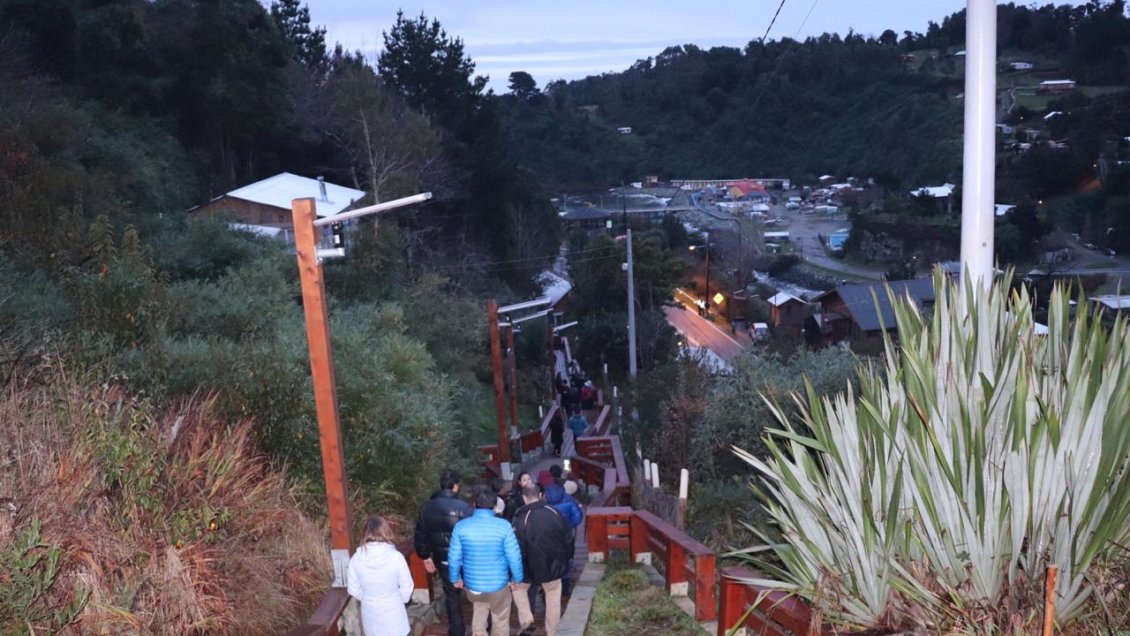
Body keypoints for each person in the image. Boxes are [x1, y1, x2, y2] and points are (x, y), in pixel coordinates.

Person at [447, 489, 524, 636]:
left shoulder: (461, 526)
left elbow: (454, 557)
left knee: (480, 608)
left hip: (473, 586)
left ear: (475, 504)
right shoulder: (504, 526)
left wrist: (455, 579)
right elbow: (514, 557)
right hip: (498, 586)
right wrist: (517, 579)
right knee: (500, 619)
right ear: (495, 507)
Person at [413, 469, 473, 636]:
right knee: (478, 591)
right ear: (456, 486)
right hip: (465, 559)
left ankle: (457, 631)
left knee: (451, 595)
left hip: (443, 560)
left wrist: (425, 557)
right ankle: (484, 625)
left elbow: (420, 534)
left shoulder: (427, 507)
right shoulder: (464, 508)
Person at [511, 486, 571, 636]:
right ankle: (553, 631)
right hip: (554, 564)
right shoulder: (555, 512)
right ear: (541, 495)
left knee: (518, 588)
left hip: (529, 566)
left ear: (524, 498)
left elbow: (518, 547)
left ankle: (527, 620)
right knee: (553, 596)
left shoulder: (521, 518)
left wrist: (516, 569)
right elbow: (568, 539)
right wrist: (565, 559)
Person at [348, 515, 413, 636]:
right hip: (394, 613)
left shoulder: (356, 559)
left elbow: (353, 589)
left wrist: (368, 598)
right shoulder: (396, 557)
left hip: (370, 614)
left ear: (365, 533)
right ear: (386, 531)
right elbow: (407, 586)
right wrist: (400, 600)